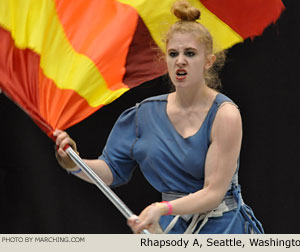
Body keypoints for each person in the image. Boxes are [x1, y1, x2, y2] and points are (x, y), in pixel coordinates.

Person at [54, 0, 263, 234]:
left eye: (190, 53)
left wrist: (162, 208)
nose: (180, 60)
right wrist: (73, 162)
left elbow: (213, 194)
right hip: (170, 227)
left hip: (223, 228)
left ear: (208, 62)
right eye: (173, 53)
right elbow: (110, 170)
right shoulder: (142, 115)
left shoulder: (225, 115)